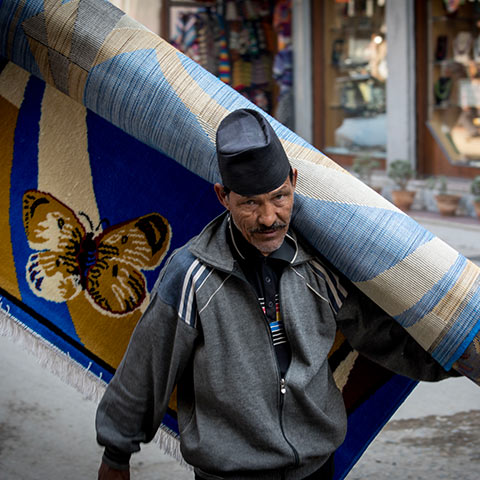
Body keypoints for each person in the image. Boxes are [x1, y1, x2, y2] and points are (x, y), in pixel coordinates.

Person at [96, 108, 456, 480]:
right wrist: (116, 455)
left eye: (279, 197)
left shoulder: (318, 262)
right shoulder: (191, 275)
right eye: (250, 202)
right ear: (223, 196)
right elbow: (147, 368)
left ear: (294, 182)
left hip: (316, 469)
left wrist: (456, 358)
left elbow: (378, 335)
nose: (269, 217)